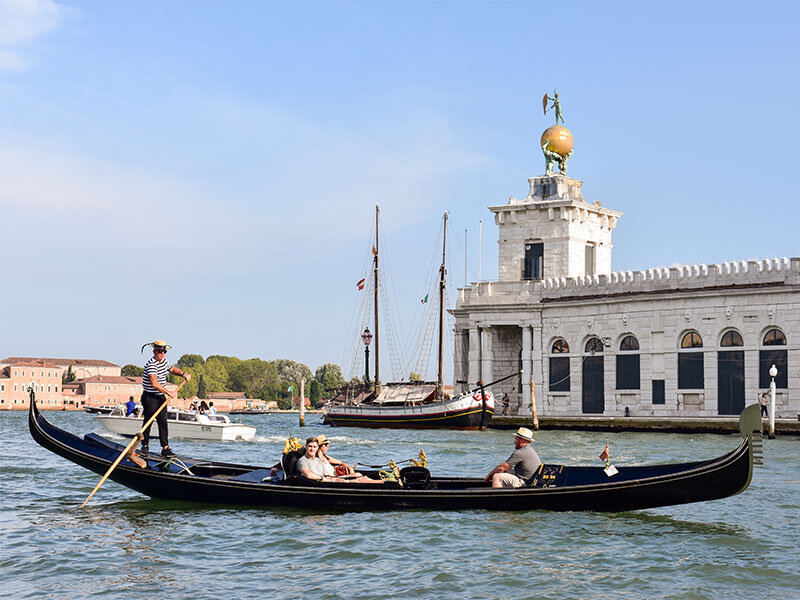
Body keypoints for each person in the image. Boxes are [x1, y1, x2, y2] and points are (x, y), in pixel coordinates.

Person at [140, 340, 191, 457]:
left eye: (164, 351)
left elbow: (172, 369)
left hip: (160, 396)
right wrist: (168, 392)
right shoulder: (151, 364)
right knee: (148, 421)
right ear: (154, 351)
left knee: (163, 422)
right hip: (150, 397)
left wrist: (183, 374)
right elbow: (154, 383)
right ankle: (144, 446)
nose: (162, 353)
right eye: (160, 351)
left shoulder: (164, 362)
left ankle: (165, 448)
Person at [297, 437, 382, 484]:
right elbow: (308, 474)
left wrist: (334, 478)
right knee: (359, 480)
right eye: (310, 446)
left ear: (317, 448)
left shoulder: (318, 460)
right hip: (318, 483)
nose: (312, 449)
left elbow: (325, 473)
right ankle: (382, 483)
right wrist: (324, 479)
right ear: (306, 446)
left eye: (314, 447)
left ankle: (382, 482)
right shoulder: (303, 460)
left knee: (361, 477)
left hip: (327, 480)